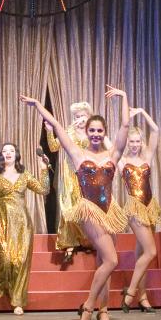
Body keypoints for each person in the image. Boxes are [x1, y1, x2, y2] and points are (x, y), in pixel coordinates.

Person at [21, 87, 129, 320]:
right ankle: (89, 306)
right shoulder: (78, 154)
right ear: (86, 132)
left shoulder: (112, 154)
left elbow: (124, 126)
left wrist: (123, 97)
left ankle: (103, 311)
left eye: (99, 131)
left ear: (104, 132)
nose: (96, 134)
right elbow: (57, 126)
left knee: (104, 262)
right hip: (89, 210)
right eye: (92, 130)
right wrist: (38, 104)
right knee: (112, 260)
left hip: (110, 211)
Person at [0, 142, 51, 314]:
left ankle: (18, 301)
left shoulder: (25, 175)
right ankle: (5, 283)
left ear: (17, 154)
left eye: (11, 150)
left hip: (23, 223)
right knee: (6, 259)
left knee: (21, 261)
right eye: (4, 150)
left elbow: (44, 190)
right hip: (1, 221)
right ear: (1, 155)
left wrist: (44, 169)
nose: (8, 153)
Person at [113, 94, 161, 314]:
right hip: (134, 208)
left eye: (137, 141)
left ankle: (143, 297)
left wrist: (141, 112)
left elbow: (156, 130)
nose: (134, 145)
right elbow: (113, 141)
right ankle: (131, 293)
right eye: (131, 141)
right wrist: (125, 116)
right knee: (151, 252)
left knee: (142, 253)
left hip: (150, 206)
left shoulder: (147, 156)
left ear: (141, 142)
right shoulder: (122, 161)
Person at [45, 101, 108, 264]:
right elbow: (53, 147)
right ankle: (70, 243)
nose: (78, 119)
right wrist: (50, 131)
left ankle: (89, 241)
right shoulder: (69, 131)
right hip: (69, 175)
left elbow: (103, 150)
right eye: (76, 116)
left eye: (82, 116)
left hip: (87, 175)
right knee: (69, 208)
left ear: (89, 117)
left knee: (87, 209)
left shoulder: (92, 133)